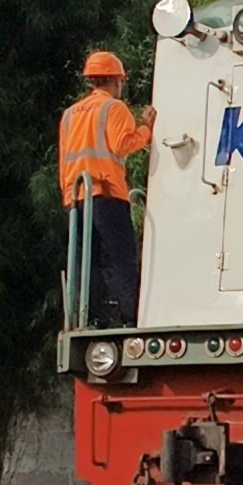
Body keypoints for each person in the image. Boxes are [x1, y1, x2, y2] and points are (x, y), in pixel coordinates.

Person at [59, 51, 156, 327]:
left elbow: (64, 160)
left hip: (76, 197)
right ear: (116, 80)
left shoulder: (69, 115)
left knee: (85, 262)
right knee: (121, 258)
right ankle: (131, 319)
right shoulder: (114, 108)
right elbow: (122, 145)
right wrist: (146, 130)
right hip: (108, 193)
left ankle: (91, 319)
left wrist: (69, 196)